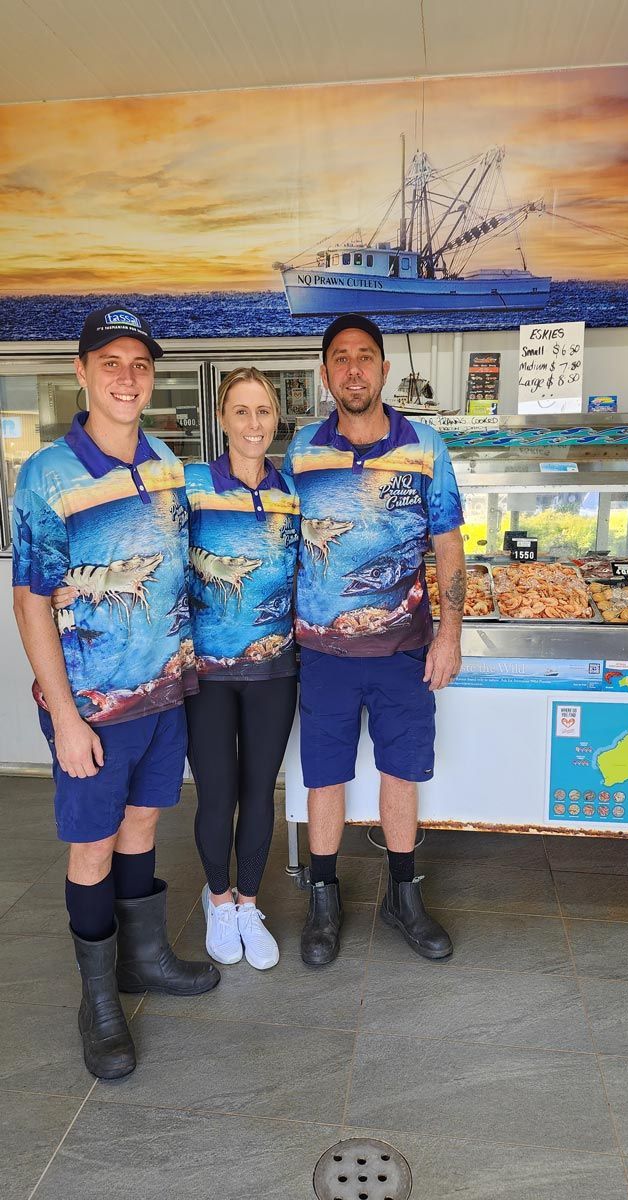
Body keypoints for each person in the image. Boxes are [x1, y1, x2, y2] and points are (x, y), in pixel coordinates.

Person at [12, 306, 219, 1082]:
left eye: (138, 363)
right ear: (82, 373)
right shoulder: (47, 476)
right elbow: (31, 600)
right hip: (93, 706)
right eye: (111, 362)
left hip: (164, 692)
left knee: (142, 826)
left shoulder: (165, 459)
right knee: (92, 846)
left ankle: (146, 959)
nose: (127, 376)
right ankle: (98, 1001)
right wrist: (65, 718)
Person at [283, 314, 466, 967]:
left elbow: (448, 545)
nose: (353, 368)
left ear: (384, 369)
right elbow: (279, 545)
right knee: (325, 777)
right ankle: (323, 897)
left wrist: (449, 634)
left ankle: (402, 895)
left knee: (400, 772)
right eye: (341, 358)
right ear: (326, 373)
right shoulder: (302, 450)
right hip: (324, 655)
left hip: (404, 651)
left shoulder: (426, 446)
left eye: (365, 356)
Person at [184, 368, 300, 970]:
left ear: (274, 419)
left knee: (259, 793)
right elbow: (151, 551)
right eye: (241, 411)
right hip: (205, 674)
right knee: (216, 793)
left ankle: (248, 902)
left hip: (273, 672)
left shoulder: (291, 493)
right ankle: (218, 898)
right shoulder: (192, 485)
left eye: (263, 411)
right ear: (223, 419)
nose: (253, 423)